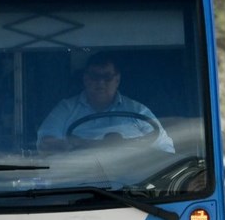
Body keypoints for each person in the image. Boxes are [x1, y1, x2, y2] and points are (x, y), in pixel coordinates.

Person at [37, 52, 173, 153]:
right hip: (80, 182)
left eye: (107, 77)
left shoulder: (138, 111)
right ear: (85, 79)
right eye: (95, 77)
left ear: (117, 80)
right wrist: (79, 147)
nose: (100, 83)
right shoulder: (65, 109)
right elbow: (46, 143)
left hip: (134, 184)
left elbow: (165, 147)